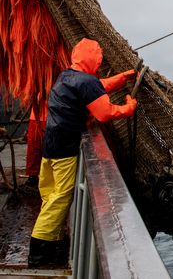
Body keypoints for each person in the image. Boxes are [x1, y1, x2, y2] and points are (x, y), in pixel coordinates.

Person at [28, 38, 138, 267]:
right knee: (61, 196)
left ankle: (54, 238)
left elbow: (98, 87)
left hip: (50, 147)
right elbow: (104, 113)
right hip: (65, 150)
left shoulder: (68, 75)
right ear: (93, 58)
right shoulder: (86, 81)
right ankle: (39, 253)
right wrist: (128, 108)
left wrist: (123, 78)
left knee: (49, 194)